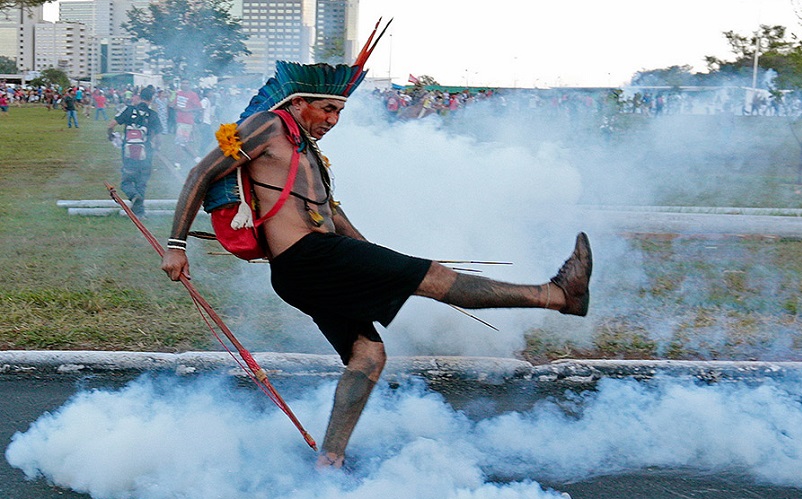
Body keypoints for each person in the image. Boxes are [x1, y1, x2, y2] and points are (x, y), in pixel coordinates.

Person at [160, 61, 593, 470]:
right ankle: (558, 295)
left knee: (367, 356)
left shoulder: (305, 149)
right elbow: (200, 173)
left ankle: (330, 462)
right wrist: (176, 246)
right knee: (436, 278)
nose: (333, 120)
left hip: (307, 267)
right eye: (326, 109)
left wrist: (371, 255)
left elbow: (330, 213)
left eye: (339, 112)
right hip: (308, 258)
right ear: (298, 102)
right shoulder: (268, 125)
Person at [108, 86, 163, 217]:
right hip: (146, 153)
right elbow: (159, 137)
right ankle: (140, 212)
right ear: (151, 99)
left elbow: (111, 124)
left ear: (139, 97)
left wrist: (110, 135)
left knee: (126, 182)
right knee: (141, 183)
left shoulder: (128, 110)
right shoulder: (153, 115)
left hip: (129, 153)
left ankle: (133, 197)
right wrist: (157, 147)